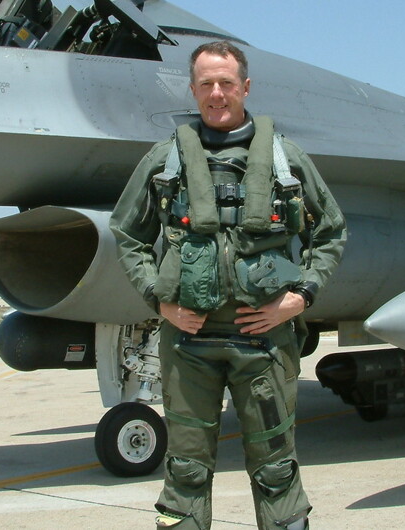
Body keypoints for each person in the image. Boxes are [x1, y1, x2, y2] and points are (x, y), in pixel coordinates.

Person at [110, 40, 346, 530]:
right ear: (193, 89)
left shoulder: (285, 158)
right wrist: (158, 300)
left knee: (276, 471)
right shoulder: (165, 160)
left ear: (245, 86)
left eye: (226, 83)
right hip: (189, 343)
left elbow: (330, 231)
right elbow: (128, 233)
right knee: (186, 472)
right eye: (206, 84)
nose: (216, 93)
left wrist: (300, 297)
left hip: (264, 341)